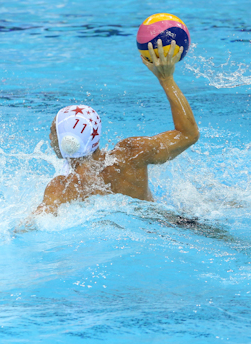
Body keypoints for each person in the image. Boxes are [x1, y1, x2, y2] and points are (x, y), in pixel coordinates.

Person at [32, 38, 199, 216]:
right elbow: (188, 134)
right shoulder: (131, 154)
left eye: (53, 131)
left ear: (68, 141)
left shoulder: (64, 188)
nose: (50, 138)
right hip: (172, 221)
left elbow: (33, 224)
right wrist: (166, 79)